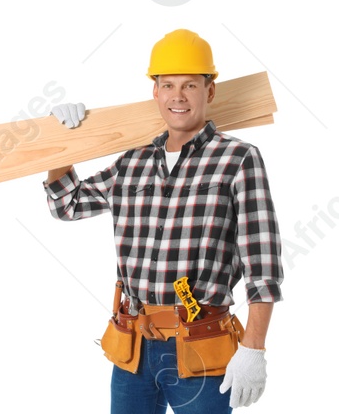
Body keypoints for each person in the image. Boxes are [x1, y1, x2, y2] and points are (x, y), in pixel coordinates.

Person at [45, 28, 279, 412]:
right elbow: (66, 204)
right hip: (133, 348)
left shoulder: (238, 159)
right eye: (167, 84)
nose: (178, 96)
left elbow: (263, 264)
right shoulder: (132, 162)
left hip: (201, 349)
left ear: (211, 91)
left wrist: (254, 349)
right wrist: (62, 143)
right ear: (155, 91)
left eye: (190, 85)